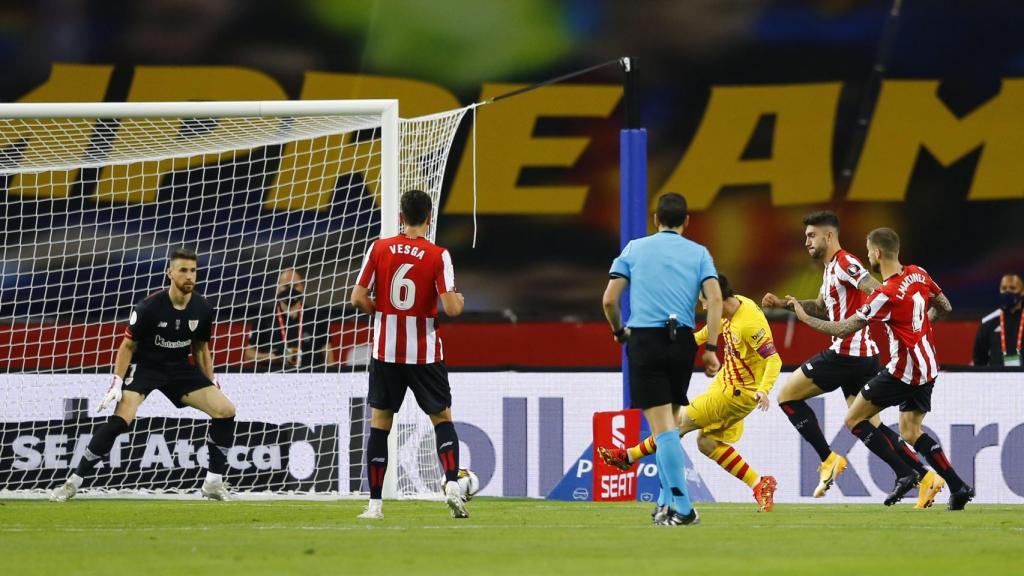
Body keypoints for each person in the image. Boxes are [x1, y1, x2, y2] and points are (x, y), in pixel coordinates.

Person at [762, 211, 940, 508]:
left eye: (811, 235)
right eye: (806, 235)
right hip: (863, 356)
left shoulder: (846, 262)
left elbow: (876, 288)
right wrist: (785, 304)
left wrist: (884, 315)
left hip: (848, 352)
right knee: (870, 424)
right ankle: (921, 476)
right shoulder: (830, 268)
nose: (806, 241)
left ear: (828, 236)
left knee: (787, 396)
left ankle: (828, 459)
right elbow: (821, 307)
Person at [789, 228, 974, 510]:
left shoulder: (884, 295)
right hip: (928, 366)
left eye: (867, 251)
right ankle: (958, 487)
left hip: (903, 372)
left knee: (854, 420)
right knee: (911, 431)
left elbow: (842, 328)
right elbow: (944, 305)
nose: (866, 256)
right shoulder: (919, 273)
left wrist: (802, 316)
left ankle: (907, 473)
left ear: (876, 253)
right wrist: (919, 330)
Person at [50, 247, 236, 502]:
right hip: (146, 367)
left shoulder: (203, 307)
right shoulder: (149, 307)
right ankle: (73, 481)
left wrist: (212, 381)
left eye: (193, 270)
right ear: (169, 272)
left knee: (226, 410)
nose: (189, 276)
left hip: (179, 368)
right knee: (122, 419)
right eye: (183, 270)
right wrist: (116, 382)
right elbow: (128, 346)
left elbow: (201, 348)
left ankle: (213, 483)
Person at [599, 275, 779, 513]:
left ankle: (628, 457)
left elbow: (774, 359)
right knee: (707, 443)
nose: (703, 306)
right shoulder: (734, 307)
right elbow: (707, 332)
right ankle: (759, 484)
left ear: (717, 298)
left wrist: (764, 390)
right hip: (725, 382)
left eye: (705, 301)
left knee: (676, 424)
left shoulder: (749, 323)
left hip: (736, 395)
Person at [602, 192, 722, 526]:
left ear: (656, 220)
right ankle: (665, 502)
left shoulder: (635, 248)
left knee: (663, 428)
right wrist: (710, 349)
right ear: (687, 221)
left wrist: (618, 332)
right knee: (669, 422)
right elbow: (714, 299)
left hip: (645, 339)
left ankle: (684, 509)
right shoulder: (700, 253)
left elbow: (610, 300)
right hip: (682, 342)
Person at [350, 189, 467, 520]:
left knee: (380, 425)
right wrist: (460, 299)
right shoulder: (438, 255)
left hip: (386, 350)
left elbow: (357, 297)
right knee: (442, 419)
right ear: (429, 219)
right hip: (424, 353)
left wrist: (381, 312)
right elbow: (451, 307)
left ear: (401, 217)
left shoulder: (380, 248)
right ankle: (452, 485)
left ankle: (374, 505)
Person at [243, 268, 336, 371]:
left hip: (309, 379)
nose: (290, 290)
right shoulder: (264, 319)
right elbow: (248, 355)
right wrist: (268, 357)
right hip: (274, 379)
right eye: (286, 286)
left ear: (302, 287)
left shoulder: (316, 317)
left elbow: (328, 355)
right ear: (277, 288)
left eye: (295, 285)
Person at [973, 273, 1023, 367]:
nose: (1007, 291)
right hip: (997, 379)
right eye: (1004, 288)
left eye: (1012, 288)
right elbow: (979, 358)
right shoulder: (988, 322)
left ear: (1022, 291)